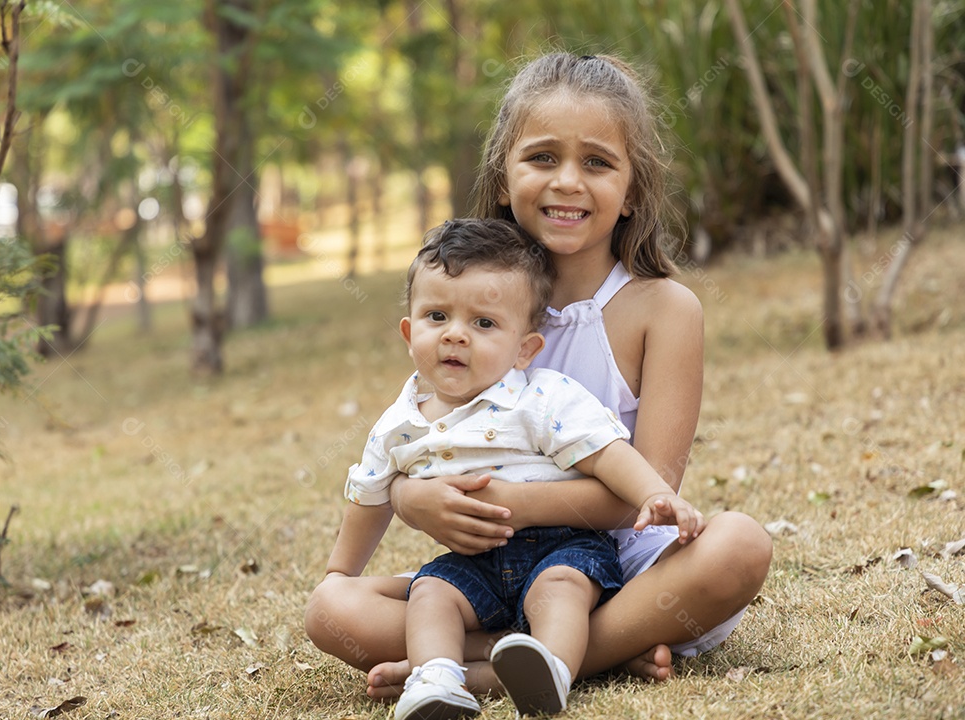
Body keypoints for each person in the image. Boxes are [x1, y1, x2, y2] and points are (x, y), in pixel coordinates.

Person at [305, 52, 772, 699]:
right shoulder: (473, 308)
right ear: (502, 177)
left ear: (633, 188)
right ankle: (590, 650)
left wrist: (504, 503)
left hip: (616, 562)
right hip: (488, 568)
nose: (568, 183)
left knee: (740, 547)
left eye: (598, 163)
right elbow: (420, 441)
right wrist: (412, 500)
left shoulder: (663, 310)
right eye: (543, 158)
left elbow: (645, 497)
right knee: (332, 610)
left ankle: (497, 666)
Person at [322, 218, 706, 719]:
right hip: (473, 561)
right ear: (409, 331)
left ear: (525, 348)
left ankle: (552, 669)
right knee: (431, 594)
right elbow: (369, 495)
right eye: (437, 316)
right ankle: (436, 677)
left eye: (483, 324)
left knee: (561, 589)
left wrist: (655, 494)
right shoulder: (398, 424)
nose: (456, 336)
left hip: (563, 545)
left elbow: (605, 452)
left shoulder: (541, 395)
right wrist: (339, 575)